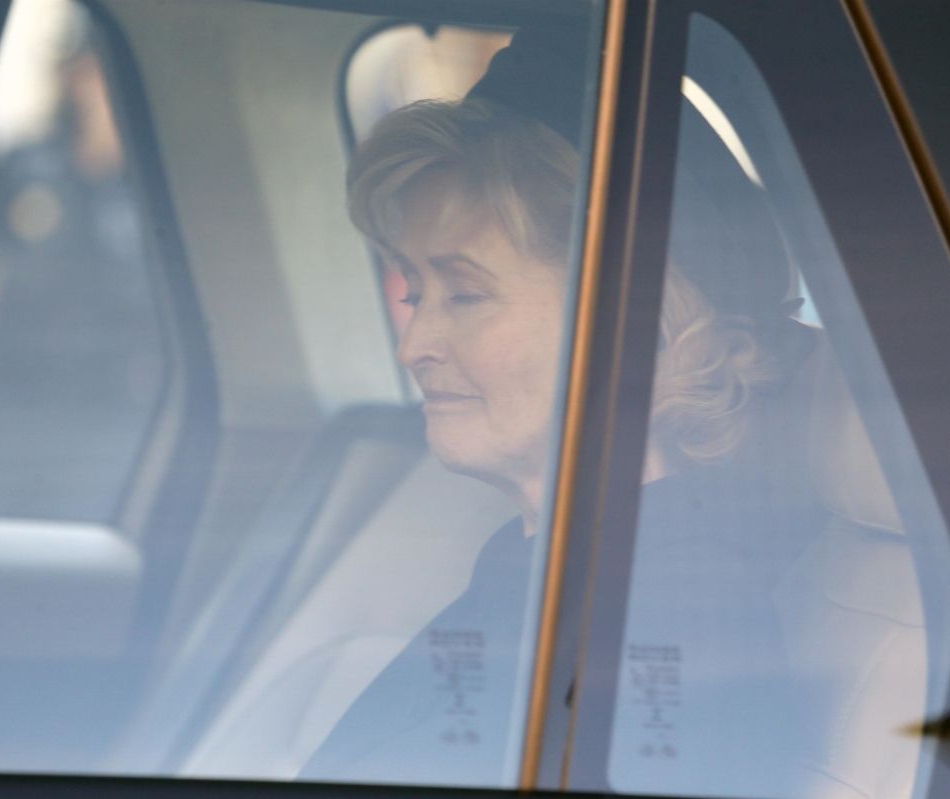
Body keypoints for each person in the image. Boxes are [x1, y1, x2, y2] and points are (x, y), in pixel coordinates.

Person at [301, 27, 821, 792]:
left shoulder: (677, 626)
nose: (415, 347)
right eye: (416, 294)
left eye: (465, 294)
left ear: (630, 321)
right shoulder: (543, 566)